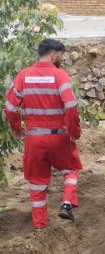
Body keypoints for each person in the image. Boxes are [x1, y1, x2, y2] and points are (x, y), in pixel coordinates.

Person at [3, 39, 82, 230]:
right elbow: (71, 106)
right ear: (54, 54)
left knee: (37, 183)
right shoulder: (59, 75)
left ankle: (40, 227)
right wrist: (74, 131)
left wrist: (16, 128)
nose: (61, 59)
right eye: (61, 55)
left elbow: (10, 108)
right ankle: (66, 203)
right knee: (70, 171)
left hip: (34, 139)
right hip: (59, 137)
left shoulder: (23, 75)